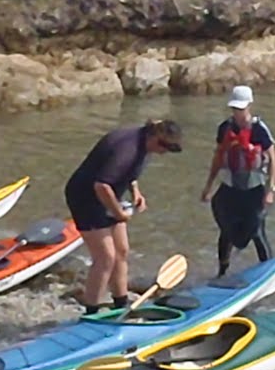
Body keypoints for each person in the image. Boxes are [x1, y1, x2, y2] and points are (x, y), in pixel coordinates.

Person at [63, 118, 184, 311]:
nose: (163, 152)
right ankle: (91, 311)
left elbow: (129, 173)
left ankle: (120, 303)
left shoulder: (146, 144)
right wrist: (118, 212)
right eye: (163, 146)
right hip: (85, 198)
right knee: (105, 257)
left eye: (169, 149)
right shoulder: (127, 149)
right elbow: (101, 185)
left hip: (109, 195)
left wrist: (135, 191)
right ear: (154, 136)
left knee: (122, 251)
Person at [200, 85, 275, 278]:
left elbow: (273, 160)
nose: (238, 113)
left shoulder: (259, 129)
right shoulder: (225, 128)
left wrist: (270, 190)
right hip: (230, 187)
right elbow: (218, 157)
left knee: (257, 231)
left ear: (249, 106)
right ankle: (222, 272)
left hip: (254, 188)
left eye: (241, 109)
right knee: (226, 230)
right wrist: (209, 186)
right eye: (235, 109)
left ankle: (267, 273)